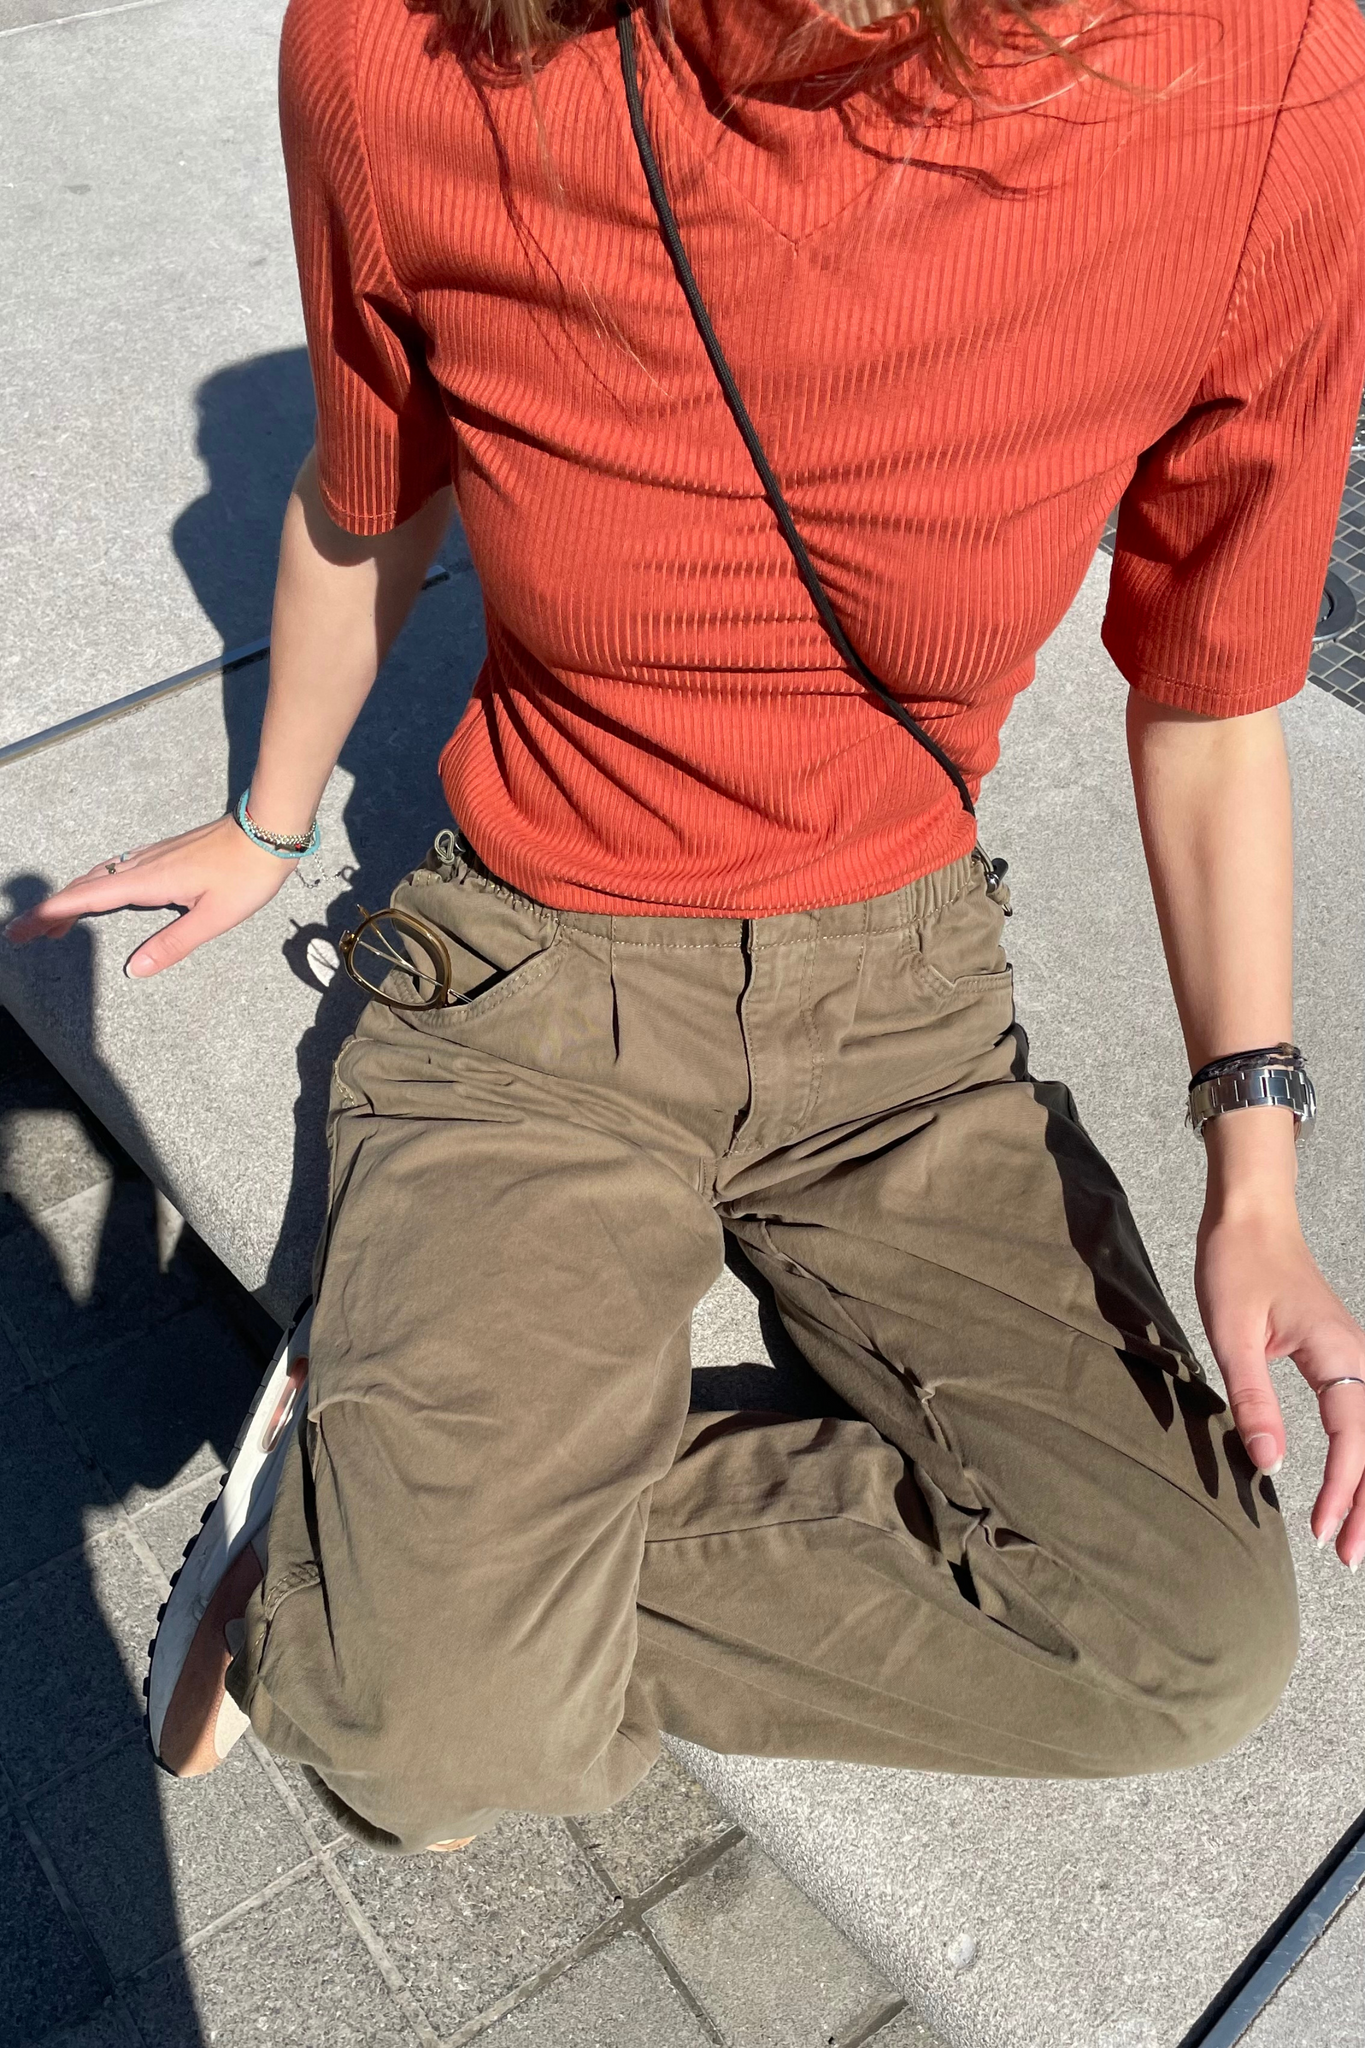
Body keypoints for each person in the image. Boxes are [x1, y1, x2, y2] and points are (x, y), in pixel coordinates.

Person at [9, 0, 1365, 1857]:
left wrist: (1254, 1172)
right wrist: (268, 820)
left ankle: (404, 1543)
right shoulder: (409, 51)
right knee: (422, 1761)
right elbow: (367, 487)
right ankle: (425, 1561)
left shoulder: (1260, 75)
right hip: (537, 972)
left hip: (902, 1010)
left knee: (1187, 1637)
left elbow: (1209, 696)